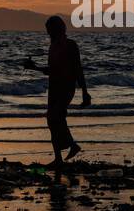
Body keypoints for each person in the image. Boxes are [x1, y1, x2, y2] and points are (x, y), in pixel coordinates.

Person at [23, 16, 91, 167]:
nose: (49, 34)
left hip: (66, 88)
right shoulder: (52, 47)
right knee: (52, 120)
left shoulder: (71, 45)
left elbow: (78, 69)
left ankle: (72, 145)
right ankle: (59, 158)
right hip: (53, 88)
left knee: (56, 117)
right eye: (48, 31)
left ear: (59, 29)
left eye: (50, 30)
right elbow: (51, 70)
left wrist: (85, 92)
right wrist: (33, 67)